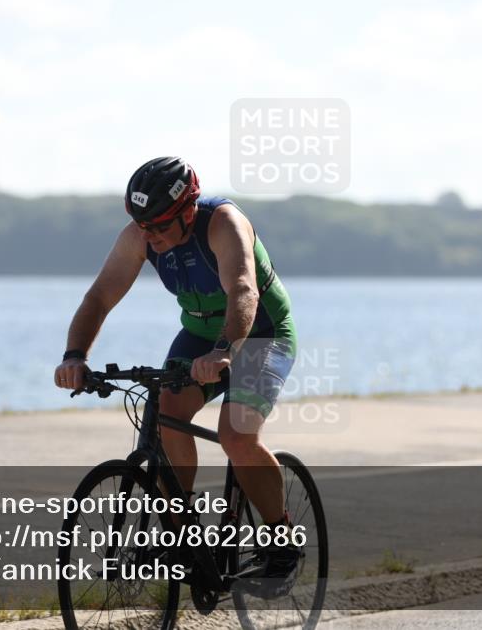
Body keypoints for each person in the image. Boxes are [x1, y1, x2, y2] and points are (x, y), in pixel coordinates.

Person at [55, 157, 301, 598]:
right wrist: (75, 356)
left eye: (159, 225)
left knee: (236, 434)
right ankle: (181, 536)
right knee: (166, 416)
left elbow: (243, 289)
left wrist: (225, 350)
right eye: (142, 225)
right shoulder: (141, 235)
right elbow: (99, 296)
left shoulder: (223, 223)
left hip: (260, 334)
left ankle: (281, 542)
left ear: (188, 210)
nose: (149, 235)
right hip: (199, 337)